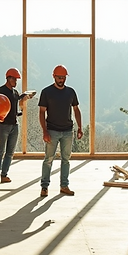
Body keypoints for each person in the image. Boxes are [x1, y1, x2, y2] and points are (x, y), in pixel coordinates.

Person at [38, 64, 82, 197]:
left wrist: (80, 127)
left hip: (68, 131)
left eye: (63, 77)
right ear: (54, 77)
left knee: (66, 159)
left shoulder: (71, 92)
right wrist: (44, 131)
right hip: (52, 130)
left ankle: (64, 186)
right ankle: (44, 187)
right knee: (48, 159)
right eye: (59, 77)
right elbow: (41, 112)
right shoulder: (46, 92)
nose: (61, 79)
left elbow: (76, 110)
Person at [0, 67, 33, 186]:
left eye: (17, 79)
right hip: (3, 125)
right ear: (8, 78)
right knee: (0, 151)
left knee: (10, 152)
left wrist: (23, 102)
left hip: (14, 125)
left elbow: (16, 110)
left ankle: (4, 174)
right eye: (14, 79)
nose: (16, 81)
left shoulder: (15, 93)